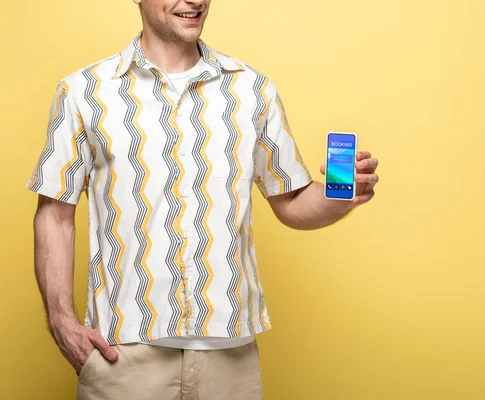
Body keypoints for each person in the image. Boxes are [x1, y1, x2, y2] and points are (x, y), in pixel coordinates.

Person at [26, 0, 379, 398]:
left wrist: (340, 198)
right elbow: (55, 213)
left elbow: (293, 203)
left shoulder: (252, 88)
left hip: (231, 362)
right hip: (122, 357)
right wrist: (61, 320)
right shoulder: (83, 91)